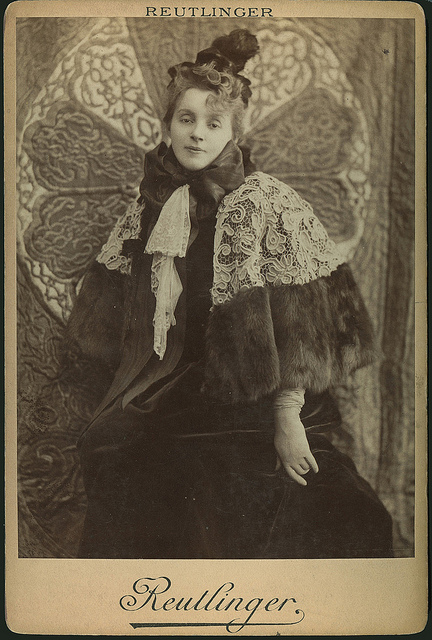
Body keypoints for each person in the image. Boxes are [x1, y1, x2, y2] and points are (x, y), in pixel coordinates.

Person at [63, 29, 393, 559]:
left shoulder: (266, 203)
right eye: (186, 119)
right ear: (168, 125)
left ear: (233, 131)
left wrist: (286, 417)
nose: (197, 135)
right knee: (126, 468)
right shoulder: (148, 208)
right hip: (172, 393)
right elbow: (113, 324)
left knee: (326, 510)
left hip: (257, 398)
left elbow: (303, 330)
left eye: (213, 123)